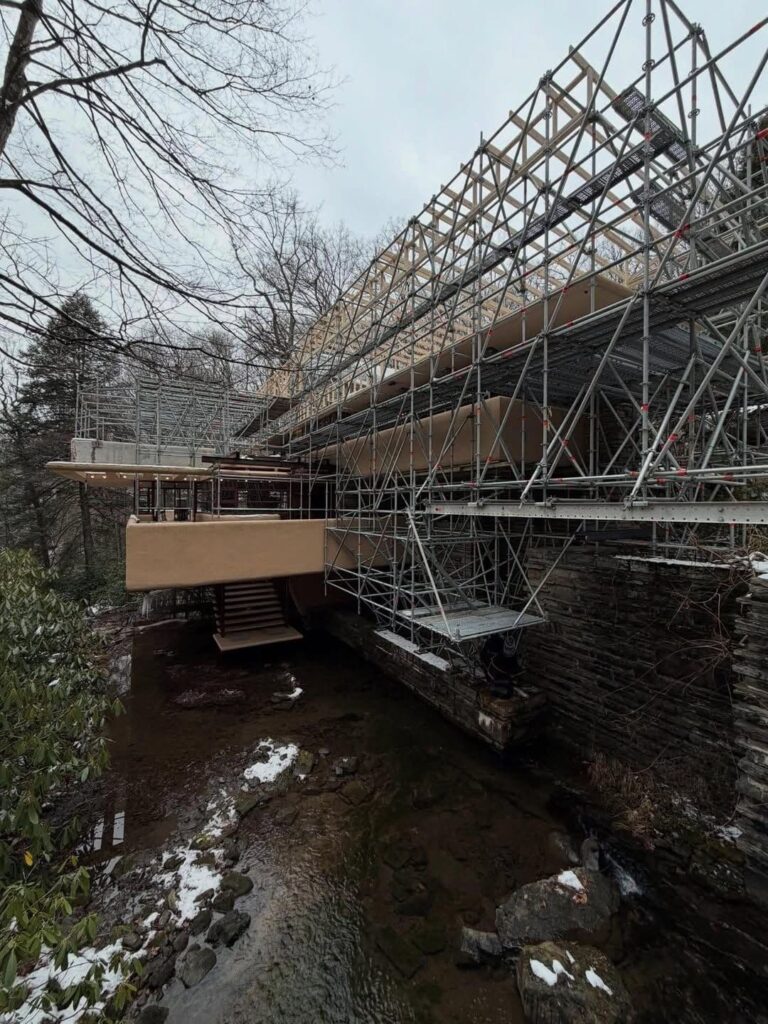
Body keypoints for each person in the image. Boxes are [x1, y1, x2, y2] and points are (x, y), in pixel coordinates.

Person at [481, 631, 520, 698]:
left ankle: (498, 689)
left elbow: (483, 657)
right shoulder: (500, 646)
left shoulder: (496, 648)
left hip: (496, 676)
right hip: (498, 676)